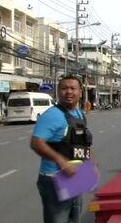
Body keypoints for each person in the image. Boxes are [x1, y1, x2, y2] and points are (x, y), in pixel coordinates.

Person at [30, 75, 96, 223]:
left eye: (73, 88)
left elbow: (83, 143)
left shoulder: (79, 114)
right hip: (55, 178)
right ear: (58, 92)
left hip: (76, 176)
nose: (69, 92)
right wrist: (61, 161)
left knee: (74, 218)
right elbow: (36, 142)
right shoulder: (53, 115)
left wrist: (91, 164)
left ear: (80, 92)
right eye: (64, 88)